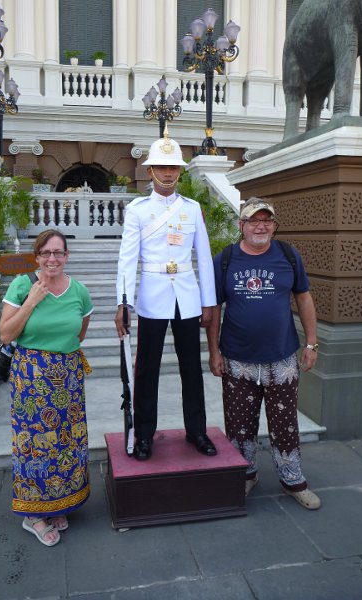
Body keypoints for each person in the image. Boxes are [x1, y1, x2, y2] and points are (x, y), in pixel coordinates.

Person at [207, 197, 321, 510]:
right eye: (254, 220)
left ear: (273, 224)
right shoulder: (226, 259)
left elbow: (305, 299)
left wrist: (311, 343)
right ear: (241, 225)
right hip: (237, 359)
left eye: (267, 220)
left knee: (285, 422)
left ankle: (292, 479)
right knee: (239, 424)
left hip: (281, 359)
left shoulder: (287, 254)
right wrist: (214, 351)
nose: (261, 226)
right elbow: (214, 308)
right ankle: (245, 475)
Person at [114, 129, 218, 461]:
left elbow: (203, 256)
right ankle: (144, 435)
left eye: (173, 167)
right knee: (147, 369)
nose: (168, 173)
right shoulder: (138, 210)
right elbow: (128, 258)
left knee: (192, 367)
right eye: (162, 167)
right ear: (151, 171)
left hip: (186, 295)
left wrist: (208, 302)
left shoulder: (192, 208)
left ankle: (197, 431)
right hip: (153, 296)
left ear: (180, 171)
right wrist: (123, 301)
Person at [0, 229, 94, 546]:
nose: (52, 258)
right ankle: (33, 515)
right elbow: (5, 334)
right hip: (32, 380)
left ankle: (59, 503)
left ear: (67, 256)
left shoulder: (79, 291)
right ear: (36, 256)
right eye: (46, 252)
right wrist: (31, 303)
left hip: (67, 377)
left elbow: (78, 335)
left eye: (59, 252)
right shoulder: (22, 285)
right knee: (35, 446)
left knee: (66, 443)